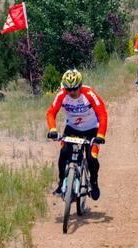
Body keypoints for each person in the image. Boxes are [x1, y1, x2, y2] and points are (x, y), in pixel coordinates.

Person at [46, 69, 107, 200]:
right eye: (69, 89)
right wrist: (52, 129)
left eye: (75, 89)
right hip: (72, 129)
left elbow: (102, 113)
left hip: (91, 129)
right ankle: (62, 181)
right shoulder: (62, 95)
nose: (72, 92)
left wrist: (100, 135)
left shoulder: (89, 93)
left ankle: (94, 183)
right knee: (64, 153)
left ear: (80, 85)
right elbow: (51, 113)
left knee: (91, 158)